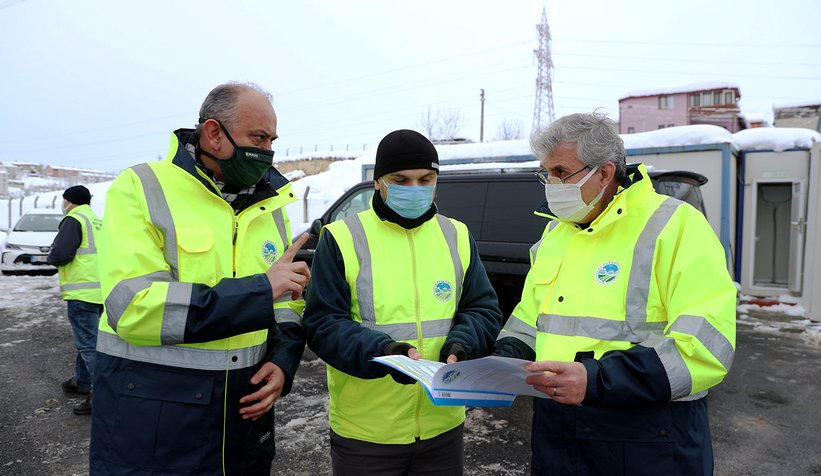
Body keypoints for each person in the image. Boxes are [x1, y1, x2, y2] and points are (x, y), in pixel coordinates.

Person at [493, 112, 737, 476]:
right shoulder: (555, 236)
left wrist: (595, 379)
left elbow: (705, 349)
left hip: (646, 437)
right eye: (546, 173)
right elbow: (529, 320)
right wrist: (501, 360)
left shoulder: (676, 226)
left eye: (561, 172)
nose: (551, 184)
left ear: (605, 173)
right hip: (557, 429)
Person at [89, 82, 311, 475]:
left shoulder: (272, 205)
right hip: (156, 426)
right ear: (213, 133)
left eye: (272, 140)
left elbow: (286, 302)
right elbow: (134, 309)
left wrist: (282, 360)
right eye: (258, 137)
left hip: (243, 426)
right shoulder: (142, 187)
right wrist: (261, 288)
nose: (268, 151)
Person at [302, 129, 503, 476]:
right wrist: (383, 351)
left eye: (426, 179)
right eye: (401, 179)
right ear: (378, 181)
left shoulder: (456, 234)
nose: (415, 188)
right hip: (367, 432)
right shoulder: (342, 237)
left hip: (443, 425)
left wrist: (463, 343)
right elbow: (323, 323)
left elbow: (482, 309)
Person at [47, 185, 103, 416]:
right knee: (87, 339)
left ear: (70, 201)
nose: (63, 203)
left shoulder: (74, 219)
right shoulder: (97, 220)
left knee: (89, 343)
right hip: (100, 291)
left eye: (64, 200)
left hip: (82, 293)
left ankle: (102, 394)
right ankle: (82, 382)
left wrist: (51, 256)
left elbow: (60, 254)